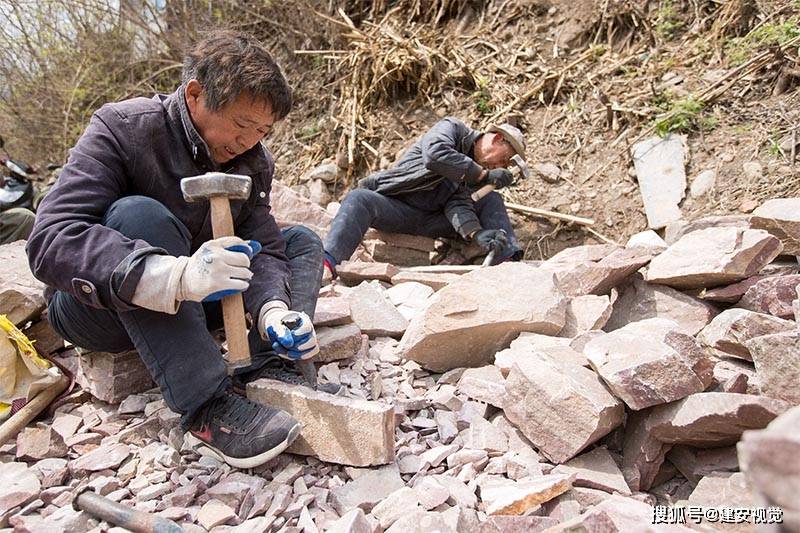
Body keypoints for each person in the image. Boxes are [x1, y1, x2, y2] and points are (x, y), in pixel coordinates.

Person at [26, 31, 324, 469]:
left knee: (301, 241)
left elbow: (269, 246)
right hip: (98, 308)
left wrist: (273, 309)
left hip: (197, 302)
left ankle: (268, 360)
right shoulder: (123, 128)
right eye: (243, 125)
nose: (249, 141)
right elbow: (51, 237)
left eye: (262, 131)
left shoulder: (252, 161)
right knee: (139, 216)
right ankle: (207, 407)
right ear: (196, 94)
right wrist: (171, 275)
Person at [322, 118, 526, 277]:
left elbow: (458, 204)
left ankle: (507, 262)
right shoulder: (453, 129)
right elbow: (435, 155)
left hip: (432, 222)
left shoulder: (476, 171)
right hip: (398, 209)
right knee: (359, 198)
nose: (499, 167)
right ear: (498, 139)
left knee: (491, 199)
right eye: (504, 160)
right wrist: (482, 175)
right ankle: (327, 263)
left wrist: (476, 233)